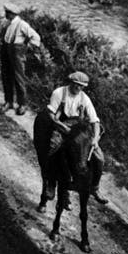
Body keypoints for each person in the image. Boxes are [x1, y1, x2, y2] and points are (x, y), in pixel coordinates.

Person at [33, 71, 108, 213]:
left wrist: (95, 139)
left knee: (99, 157)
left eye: (82, 86)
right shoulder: (59, 93)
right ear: (71, 82)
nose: (78, 88)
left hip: (77, 130)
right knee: (50, 149)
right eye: (76, 85)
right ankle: (50, 182)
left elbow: (95, 121)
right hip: (60, 126)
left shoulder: (84, 98)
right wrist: (62, 127)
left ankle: (95, 187)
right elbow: (50, 114)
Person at [0, 6, 41, 115]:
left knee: (19, 78)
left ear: (13, 13)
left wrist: (26, 47)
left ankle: (22, 104)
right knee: (6, 76)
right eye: (6, 12)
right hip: (6, 51)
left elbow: (36, 37)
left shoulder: (22, 24)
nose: (5, 14)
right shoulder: (6, 23)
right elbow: (0, 33)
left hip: (17, 53)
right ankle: (8, 102)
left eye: (7, 12)